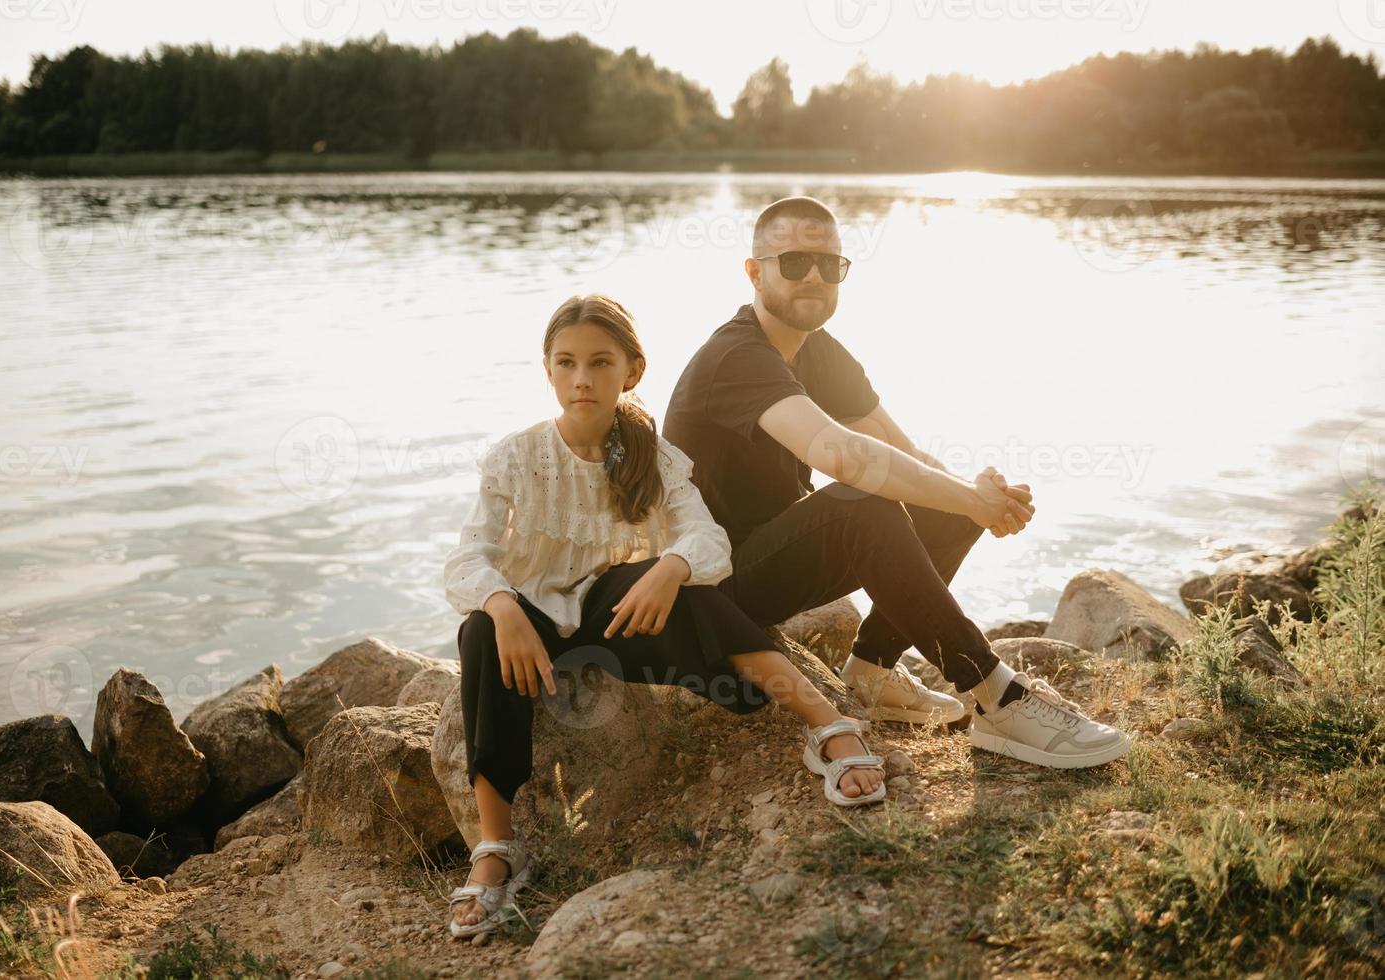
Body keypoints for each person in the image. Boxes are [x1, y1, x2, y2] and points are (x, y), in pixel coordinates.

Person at [440, 293, 889, 940]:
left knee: (694, 593)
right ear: (547, 370)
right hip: (532, 626)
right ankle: (495, 849)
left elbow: (707, 541)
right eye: (565, 363)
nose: (581, 378)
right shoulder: (515, 458)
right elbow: (468, 558)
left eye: (599, 362)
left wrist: (670, 568)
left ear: (632, 370)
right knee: (479, 629)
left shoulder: (655, 456)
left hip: (619, 623)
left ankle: (828, 725)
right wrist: (502, 602)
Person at [663, 196, 1132, 770]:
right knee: (867, 504)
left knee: (937, 497)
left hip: (774, 557)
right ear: (754, 271)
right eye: (793, 262)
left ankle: (872, 675)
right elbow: (845, 458)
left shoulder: (817, 349)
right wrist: (971, 498)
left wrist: (977, 497)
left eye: (829, 264)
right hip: (713, 582)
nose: (814, 276)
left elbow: (901, 452)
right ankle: (991, 694)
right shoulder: (735, 356)